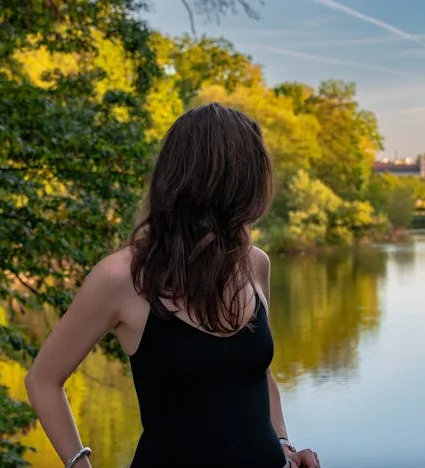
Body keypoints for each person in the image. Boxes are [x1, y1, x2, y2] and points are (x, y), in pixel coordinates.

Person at [24, 103, 320, 468]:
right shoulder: (123, 277)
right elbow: (43, 380)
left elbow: (258, 373)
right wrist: (79, 464)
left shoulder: (255, 263)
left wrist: (285, 446)